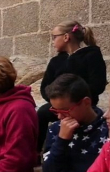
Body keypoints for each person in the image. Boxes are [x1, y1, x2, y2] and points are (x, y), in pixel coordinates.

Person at [38, 21, 106, 152]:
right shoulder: (56, 61)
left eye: (54, 37)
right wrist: (57, 103)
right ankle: (36, 151)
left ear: (66, 37)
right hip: (59, 107)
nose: (52, 41)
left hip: (83, 104)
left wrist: (75, 99)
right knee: (42, 113)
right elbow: (45, 86)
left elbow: (98, 84)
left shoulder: (92, 56)